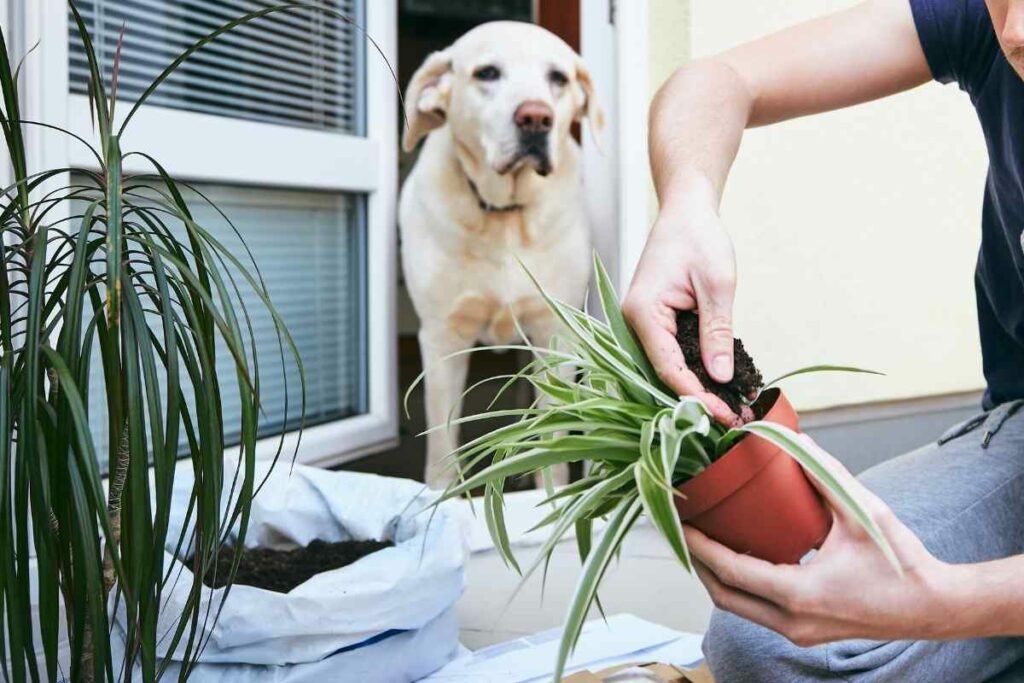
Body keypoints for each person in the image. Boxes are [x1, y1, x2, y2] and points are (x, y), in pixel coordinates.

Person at [622, 0, 1024, 680]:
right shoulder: (984, 23)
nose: (1016, 31)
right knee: (768, 641)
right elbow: (719, 80)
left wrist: (944, 604)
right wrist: (687, 203)